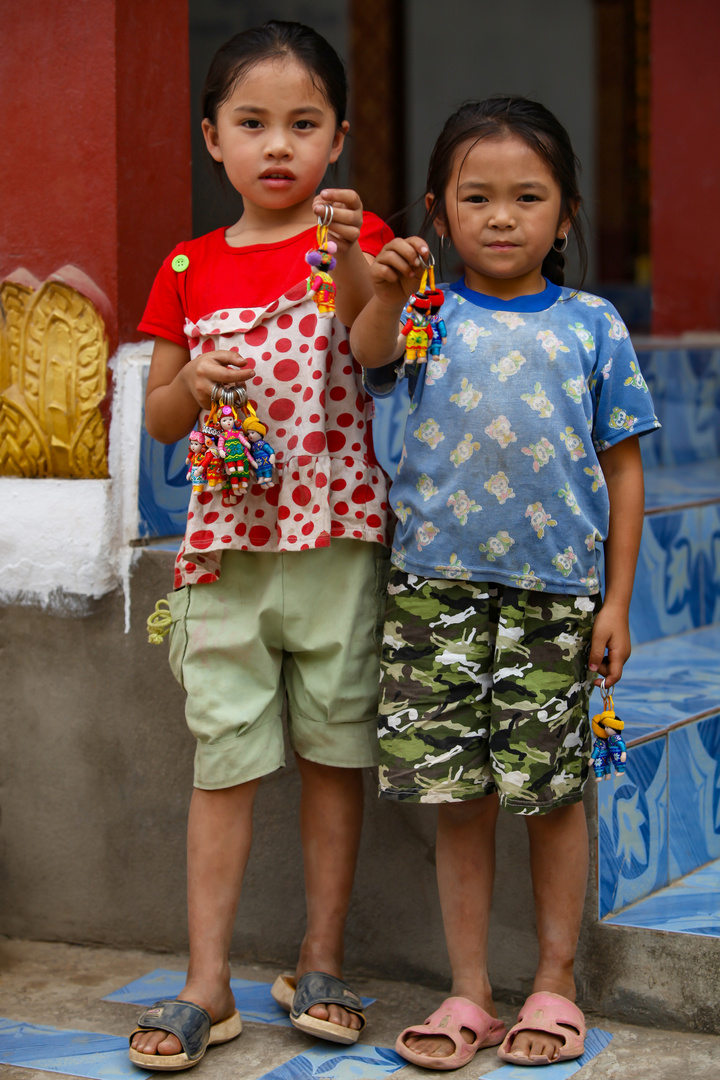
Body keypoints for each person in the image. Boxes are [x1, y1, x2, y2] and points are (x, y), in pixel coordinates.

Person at [351, 96, 659, 1070]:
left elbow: (624, 468)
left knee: (553, 794)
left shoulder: (593, 326)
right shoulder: (427, 316)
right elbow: (365, 357)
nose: (500, 215)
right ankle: (470, 993)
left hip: (553, 600)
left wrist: (615, 602)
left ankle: (557, 981)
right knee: (459, 797)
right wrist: (392, 293)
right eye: (475, 196)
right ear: (438, 212)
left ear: (566, 215)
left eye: (527, 196)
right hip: (433, 591)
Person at [129, 21, 392, 1071]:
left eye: (303, 124)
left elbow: (374, 352)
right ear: (211, 139)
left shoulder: (355, 236)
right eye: (252, 124)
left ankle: (317, 959)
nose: (277, 145)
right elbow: (155, 418)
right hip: (228, 553)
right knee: (223, 761)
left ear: (337, 138)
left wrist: (351, 257)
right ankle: (208, 984)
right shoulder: (187, 265)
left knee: (336, 753)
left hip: (336, 542)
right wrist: (192, 386)